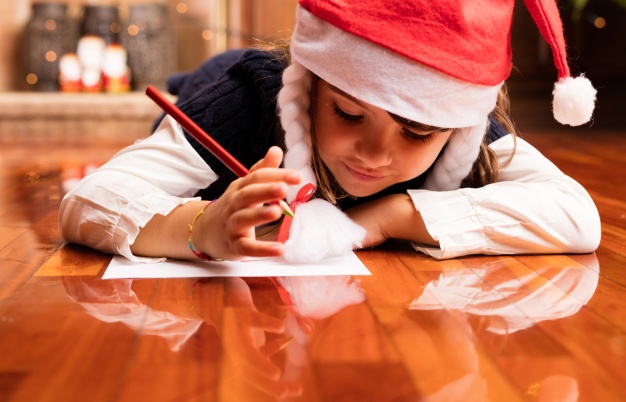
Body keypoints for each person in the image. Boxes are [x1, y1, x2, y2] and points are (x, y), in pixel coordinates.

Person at [59, 0, 601, 263]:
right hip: (212, 83)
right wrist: (202, 224)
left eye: (416, 134)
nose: (376, 155)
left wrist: (387, 218)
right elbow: (87, 200)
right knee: (192, 91)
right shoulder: (246, 99)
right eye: (348, 114)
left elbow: (579, 219)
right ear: (311, 89)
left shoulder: (466, 124)